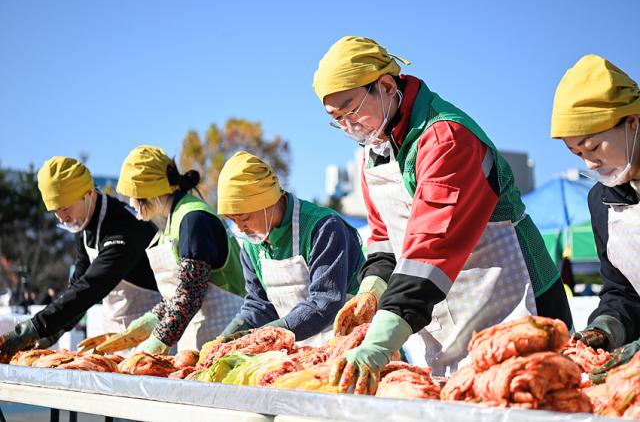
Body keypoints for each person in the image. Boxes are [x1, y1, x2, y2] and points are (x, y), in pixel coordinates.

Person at [312, 36, 573, 393]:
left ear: (387, 86)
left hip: (513, 302)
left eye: (351, 111)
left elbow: (430, 250)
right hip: (443, 312)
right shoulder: (374, 151)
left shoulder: (446, 137)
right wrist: (371, 291)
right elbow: (385, 241)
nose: (348, 127)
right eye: (337, 119)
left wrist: (377, 345)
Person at [0, 157, 161, 362]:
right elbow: (76, 284)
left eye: (65, 208)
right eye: (55, 211)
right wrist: (53, 332)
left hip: (155, 333)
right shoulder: (83, 224)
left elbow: (91, 286)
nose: (61, 218)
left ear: (88, 193)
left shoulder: (124, 226)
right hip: (117, 335)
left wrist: (34, 328)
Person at [550, 54, 640, 382]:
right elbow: (623, 292)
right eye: (577, 154)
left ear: (632, 122)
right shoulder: (601, 200)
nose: (589, 164)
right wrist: (604, 331)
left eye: (594, 146)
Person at [216, 152, 364, 346]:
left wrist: (270, 334)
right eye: (233, 221)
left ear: (267, 202)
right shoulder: (251, 245)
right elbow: (260, 305)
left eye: (244, 219)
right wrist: (226, 338)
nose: (241, 228)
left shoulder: (322, 227)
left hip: (350, 342)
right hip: (301, 352)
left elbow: (325, 300)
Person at [109, 145, 245, 354]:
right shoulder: (171, 223)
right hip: (199, 337)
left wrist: (158, 340)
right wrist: (152, 319)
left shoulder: (193, 219)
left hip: (225, 332)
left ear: (148, 191)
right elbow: (178, 292)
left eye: (132, 196)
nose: (131, 203)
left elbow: (191, 291)